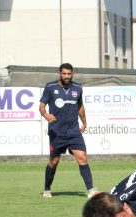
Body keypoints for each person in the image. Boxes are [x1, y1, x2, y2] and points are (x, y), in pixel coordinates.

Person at [40, 63, 98, 198]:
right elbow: (42, 106)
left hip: (73, 131)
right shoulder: (50, 87)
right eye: (64, 73)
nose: (66, 76)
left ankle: (91, 190)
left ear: (72, 74)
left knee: (82, 158)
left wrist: (84, 122)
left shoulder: (78, 88)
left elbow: (80, 106)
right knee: (54, 162)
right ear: (59, 73)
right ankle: (47, 189)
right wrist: (46, 115)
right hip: (56, 131)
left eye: (69, 74)